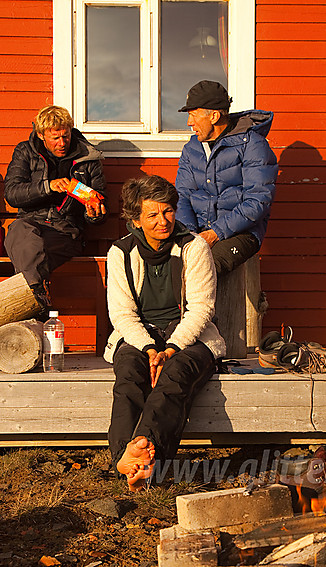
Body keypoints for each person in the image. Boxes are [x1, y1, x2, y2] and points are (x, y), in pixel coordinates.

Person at [104, 175, 225, 491]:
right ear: (136, 219)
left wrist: (170, 349)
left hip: (189, 335)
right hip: (138, 336)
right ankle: (125, 458)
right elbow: (122, 315)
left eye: (168, 211)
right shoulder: (120, 252)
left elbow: (201, 309)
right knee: (129, 373)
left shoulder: (194, 248)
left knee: (175, 374)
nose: (163, 221)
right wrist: (148, 349)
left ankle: (145, 450)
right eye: (153, 215)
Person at [4, 105, 106, 309]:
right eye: (55, 138)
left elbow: (100, 208)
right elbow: (12, 194)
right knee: (21, 232)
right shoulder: (25, 152)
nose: (62, 143)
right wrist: (46, 187)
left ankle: (33, 299)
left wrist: (94, 213)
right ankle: (37, 293)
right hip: (29, 224)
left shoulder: (89, 159)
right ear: (41, 135)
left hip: (65, 229)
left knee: (31, 250)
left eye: (66, 136)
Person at [175, 80, 277, 274]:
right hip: (197, 233)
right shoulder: (192, 149)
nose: (189, 123)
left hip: (240, 233)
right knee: (164, 264)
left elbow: (257, 201)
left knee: (204, 269)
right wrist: (189, 236)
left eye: (193, 116)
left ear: (213, 116)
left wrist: (215, 233)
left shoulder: (253, 145)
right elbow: (183, 195)